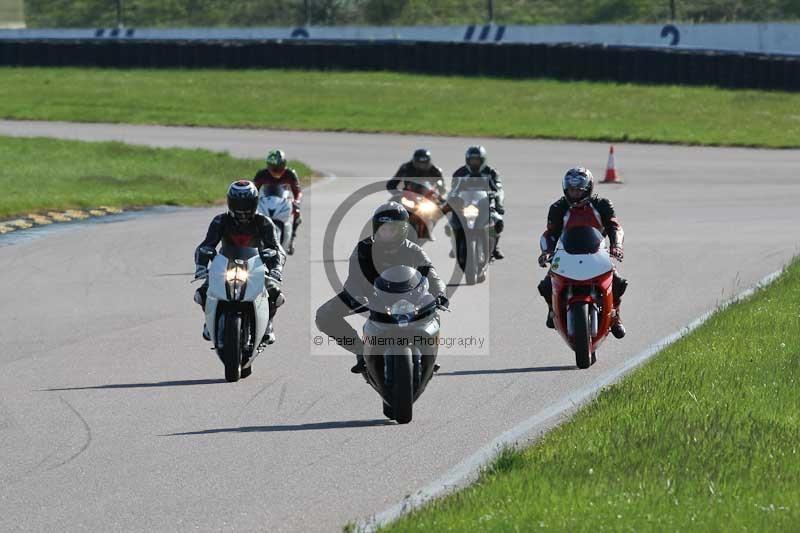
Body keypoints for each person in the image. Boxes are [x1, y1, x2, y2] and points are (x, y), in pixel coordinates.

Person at [315, 201, 449, 374]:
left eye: (392, 229)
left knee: (433, 312)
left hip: (408, 297)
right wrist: (357, 296)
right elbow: (354, 279)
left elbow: (431, 273)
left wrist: (440, 293)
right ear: (375, 228)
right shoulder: (363, 249)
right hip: (369, 296)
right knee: (324, 315)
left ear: (402, 230)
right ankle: (361, 351)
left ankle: (428, 358)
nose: (386, 233)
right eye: (383, 229)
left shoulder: (414, 250)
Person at [536, 167, 627, 339]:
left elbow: (615, 227)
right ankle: (551, 310)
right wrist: (546, 252)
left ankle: (615, 315)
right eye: (572, 190)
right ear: (565, 189)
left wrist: (617, 246)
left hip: (597, 253)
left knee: (618, 282)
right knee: (546, 285)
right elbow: (550, 234)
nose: (575, 193)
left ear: (588, 189)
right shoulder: (558, 207)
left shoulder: (603, 205)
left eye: (579, 190)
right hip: (565, 255)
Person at [194, 180, 286, 345]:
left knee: (276, 295)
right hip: (224, 265)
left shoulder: (264, 222)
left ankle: (268, 325)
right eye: (238, 203)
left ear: (255, 202)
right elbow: (205, 245)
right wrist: (201, 265)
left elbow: (277, 248)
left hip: (256, 266)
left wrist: (276, 268)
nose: (242, 208)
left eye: (247, 203)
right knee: (201, 294)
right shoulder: (220, 221)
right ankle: (209, 321)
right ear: (230, 202)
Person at [450, 145, 505, 259]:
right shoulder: (460, 173)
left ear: (483, 160)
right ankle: (456, 244)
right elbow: (453, 190)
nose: (474, 163)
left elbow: (499, 189)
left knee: (498, 221)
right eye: (472, 160)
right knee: (452, 222)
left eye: (477, 160)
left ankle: (495, 247)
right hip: (465, 205)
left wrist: (498, 201)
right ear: (467, 160)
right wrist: (450, 200)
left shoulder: (491, 172)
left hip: (485, 205)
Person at [253, 149, 303, 255]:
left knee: (297, 212)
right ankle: (253, 238)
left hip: (283, 201)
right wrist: (252, 201)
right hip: (266, 201)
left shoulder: (290, 174)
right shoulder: (262, 174)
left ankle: (291, 238)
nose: (277, 170)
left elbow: (298, 191)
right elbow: (253, 189)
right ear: (269, 166)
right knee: (251, 214)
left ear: (284, 164)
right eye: (274, 168)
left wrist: (297, 201)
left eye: (280, 166)